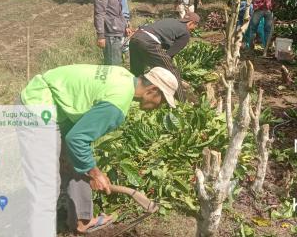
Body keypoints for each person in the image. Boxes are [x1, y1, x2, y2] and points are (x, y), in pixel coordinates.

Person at [19, 64, 178, 235]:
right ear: (152, 90)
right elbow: (77, 139)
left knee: (80, 159)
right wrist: (95, 173)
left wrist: (90, 169)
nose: (160, 106)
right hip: (38, 106)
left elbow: (78, 144)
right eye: (162, 101)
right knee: (46, 187)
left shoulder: (123, 75)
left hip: (57, 102)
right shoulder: (116, 104)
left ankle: (82, 221)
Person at [129, 12, 200, 103]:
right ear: (192, 23)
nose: (194, 29)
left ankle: (133, 97)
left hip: (135, 37)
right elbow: (169, 55)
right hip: (149, 41)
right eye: (195, 26)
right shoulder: (185, 33)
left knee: (136, 71)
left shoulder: (171, 21)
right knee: (173, 71)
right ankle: (183, 102)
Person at [94, 0, 132, 65]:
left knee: (117, 62)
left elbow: (120, 11)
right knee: (112, 65)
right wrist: (101, 36)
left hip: (118, 31)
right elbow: (99, 14)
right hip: (110, 34)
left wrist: (126, 25)